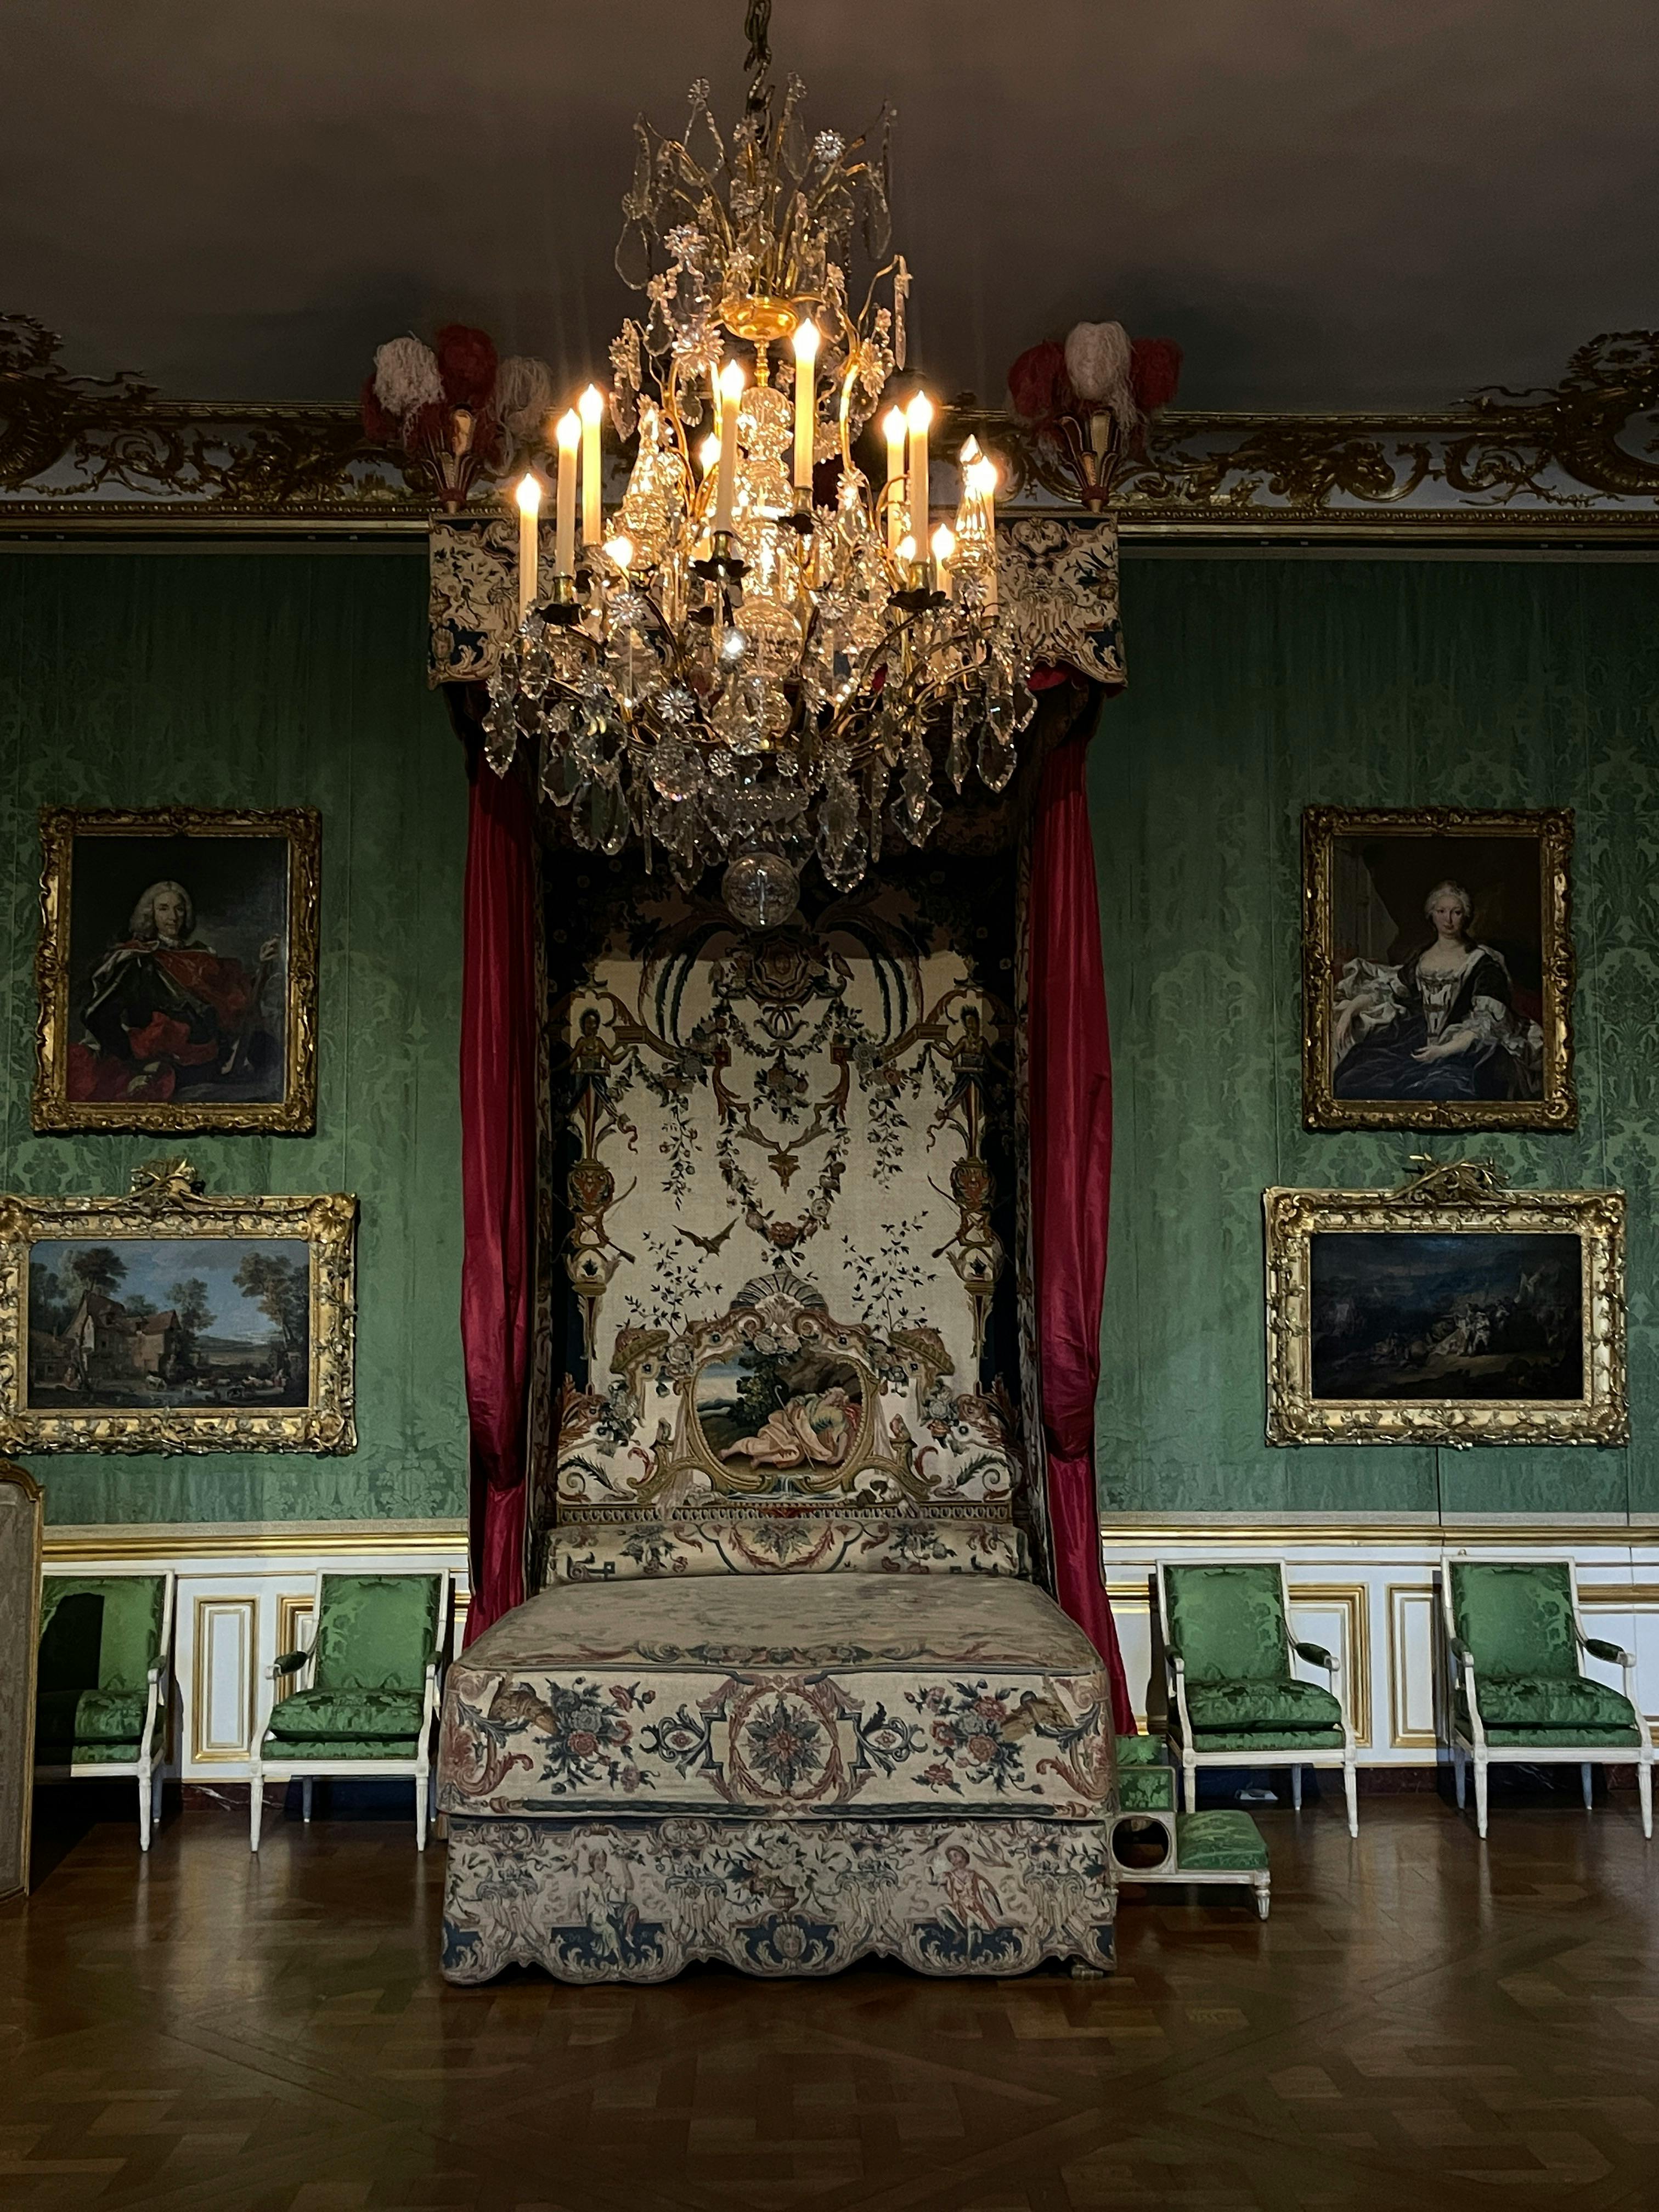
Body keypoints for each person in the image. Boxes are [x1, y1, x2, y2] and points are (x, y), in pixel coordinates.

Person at [69, 879, 280, 1103]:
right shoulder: (140, 961)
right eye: (163, 909)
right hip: (171, 1072)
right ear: (151, 915)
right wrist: (134, 1062)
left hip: (212, 1066)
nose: (173, 916)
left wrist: (264, 964)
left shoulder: (201, 956)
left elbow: (237, 1001)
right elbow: (96, 1015)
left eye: (179, 909)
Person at [1331, 879, 1542, 1103]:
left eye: (1456, 912)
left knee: (1442, 1089)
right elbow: (1387, 990)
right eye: (1441, 911)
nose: (1448, 920)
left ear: (1466, 917)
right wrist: (1349, 1012)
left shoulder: (1482, 962)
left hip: (1467, 1046)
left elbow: (1486, 1022)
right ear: (1431, 915)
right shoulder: (1423, 957)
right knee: (1355, 1078)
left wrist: (1444, 1050)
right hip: (1415, 1037)